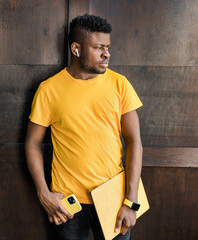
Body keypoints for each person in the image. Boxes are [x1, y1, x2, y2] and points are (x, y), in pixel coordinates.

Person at [25, 14, 143, 240]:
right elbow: (32, 143)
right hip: (67, 205)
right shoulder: (49, 89)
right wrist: (43, 193)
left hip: (114, 200)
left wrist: (132, 202)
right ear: (76, 49)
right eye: (98, 48)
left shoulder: (120, 84)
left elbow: (135, 142)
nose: (107, 54)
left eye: (108, 47)